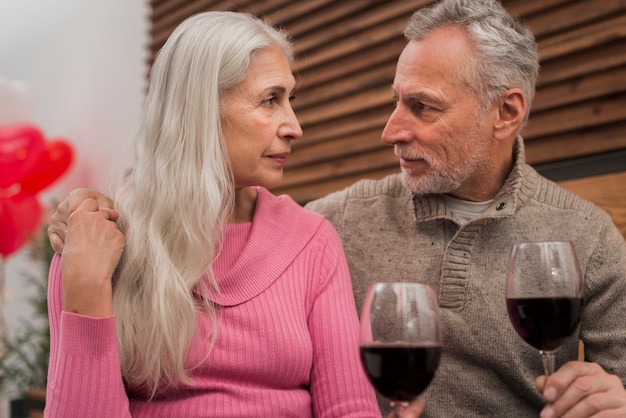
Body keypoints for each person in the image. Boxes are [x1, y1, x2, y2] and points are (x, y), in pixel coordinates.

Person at [47, 0, 626, 417]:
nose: (389, 130)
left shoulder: (588, 236)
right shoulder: (337, 221)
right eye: (395, 101)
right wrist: (92, 224)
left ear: (506, 113)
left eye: (421, 107)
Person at [42, 11, 424, 418]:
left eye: (289, 100)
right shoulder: (99, 242)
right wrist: (85, 291)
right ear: (199, 108)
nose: (294, 126)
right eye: (269, 100)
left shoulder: (312, 240)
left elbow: (348, 409)